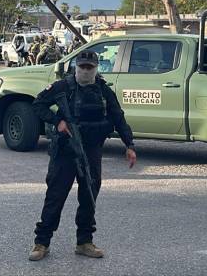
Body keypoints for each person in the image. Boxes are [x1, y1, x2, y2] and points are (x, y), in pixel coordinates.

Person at [29, 50, 137, 261]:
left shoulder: (103, 91)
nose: (86, 71)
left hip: (92, 150)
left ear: (96, 69)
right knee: (55, 196)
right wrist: (57, 121)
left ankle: (84, 242)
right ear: (76, 67)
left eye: (90, 68)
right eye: (82, 67)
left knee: (89, 195)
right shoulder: (63, 87)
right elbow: (38, 104)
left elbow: (118, 116)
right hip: (65, 151)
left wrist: (129, 145)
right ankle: (41, 243)